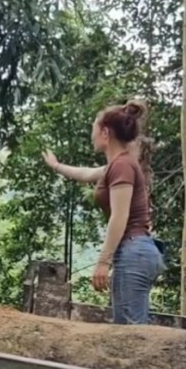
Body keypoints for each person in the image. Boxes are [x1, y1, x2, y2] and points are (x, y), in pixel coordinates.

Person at [42, 100, 164, 324]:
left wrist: (103, 262)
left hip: (133, 250)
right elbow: (87, 173)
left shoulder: (122, 165)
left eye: (93, 130)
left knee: (131, 334)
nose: (92, 136)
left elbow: (120, 216)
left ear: (105, 132)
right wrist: (57, 166)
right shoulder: (117, 165)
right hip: (136, 250)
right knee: (132, 328)